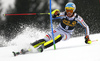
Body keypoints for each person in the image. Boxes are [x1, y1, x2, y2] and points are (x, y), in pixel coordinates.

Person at [13, 2, 91, 55]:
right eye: (67, 10)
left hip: (67, 34)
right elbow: (53, 16)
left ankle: (43, 47)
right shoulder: (63, 14)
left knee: (60, 36)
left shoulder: (78, 18)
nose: (69, 12)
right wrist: (55, 14)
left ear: (73, 10)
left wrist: (87, 37)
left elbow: (86, 26)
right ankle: (27, 48)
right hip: (58, 29)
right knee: (45, 39)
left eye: (70, 10)